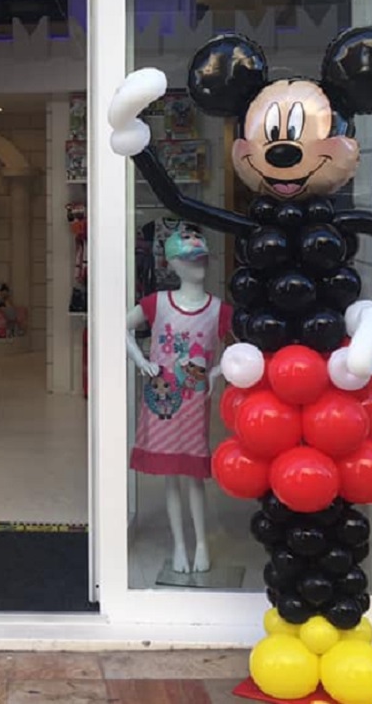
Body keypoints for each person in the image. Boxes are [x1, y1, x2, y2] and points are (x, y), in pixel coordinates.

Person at [126, 228, 232, 574]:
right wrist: (141, 361)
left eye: (201, 258)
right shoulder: (157, 303)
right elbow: (120, 327)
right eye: (189, 259)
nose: (197, 265)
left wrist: (217, 371)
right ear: (172, 263)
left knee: (193, 475)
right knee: (171, 476)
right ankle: (180, 545)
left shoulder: (218, 310)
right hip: (162, 401)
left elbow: (243, 347)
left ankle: (200, 543)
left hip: (195, 406)